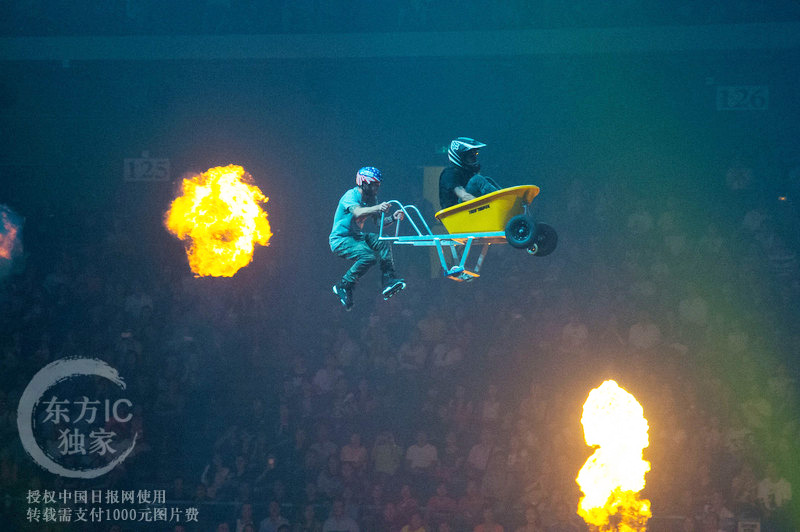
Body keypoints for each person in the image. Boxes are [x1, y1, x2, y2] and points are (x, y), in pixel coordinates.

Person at [330, 166, 406, 310]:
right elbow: (357, 212)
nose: (376, 188)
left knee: (382, 241)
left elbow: (379, 223)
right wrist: (377, 208)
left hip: (356, 237)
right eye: (373, 185)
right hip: (341, 239)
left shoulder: (372, 198)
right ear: (364, 183)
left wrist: (393, 218)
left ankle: (388, 280)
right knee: (368, 257)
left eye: (378, 185)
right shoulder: (350, 196)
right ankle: (344, 285)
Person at [438, 138, 500, 210]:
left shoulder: (467, 173)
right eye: (471, 156)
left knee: (487, 179)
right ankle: (502, 202)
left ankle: (508, 200)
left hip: (466, 210)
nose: (475, 158)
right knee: (477, 179)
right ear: (461, 157)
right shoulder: (449, 173)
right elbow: (463, 196)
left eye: (476, 154)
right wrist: (483, 207)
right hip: (455, 214)